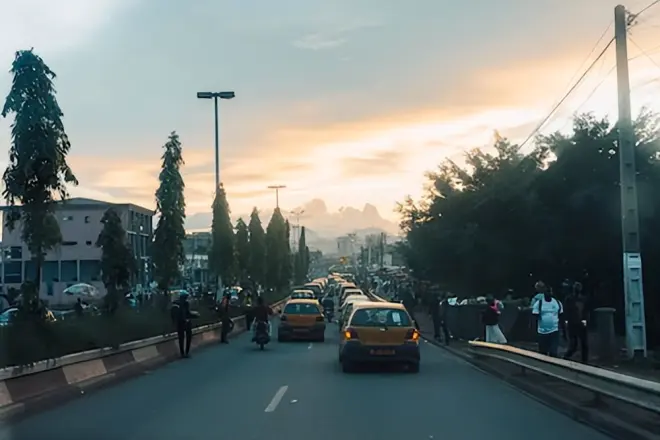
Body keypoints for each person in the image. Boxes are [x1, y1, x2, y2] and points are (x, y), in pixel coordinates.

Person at [531, 283, 565, 357]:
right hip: (542, 332)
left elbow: (561, 317)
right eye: (547, 291)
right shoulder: (539, 303)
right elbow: (534, 318)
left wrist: (564, 332)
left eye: (550, 291)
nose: (549, 293)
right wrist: (534, 331)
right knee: (543, 353)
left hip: (554, 331)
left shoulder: (557, 303)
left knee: (553, 352)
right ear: (544, 292)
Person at [563, 281, 590, 363]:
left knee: (584, 343)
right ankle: (566, 356)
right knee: (574, 343)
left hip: (580, 322)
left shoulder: (583, 299)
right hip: (573, 323)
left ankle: (584, 361)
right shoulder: (569, 299)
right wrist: (566, 321)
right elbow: (566, 311)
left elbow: (586, 310)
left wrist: (585, 320)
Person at [171, 292, 194, 358]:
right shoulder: (183, 304)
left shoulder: (177, 304)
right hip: (184, 322)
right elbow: (187, 313)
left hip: (181, 323)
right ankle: (185, 352)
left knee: (181, 338)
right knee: (186, 337)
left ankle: (183, 353)